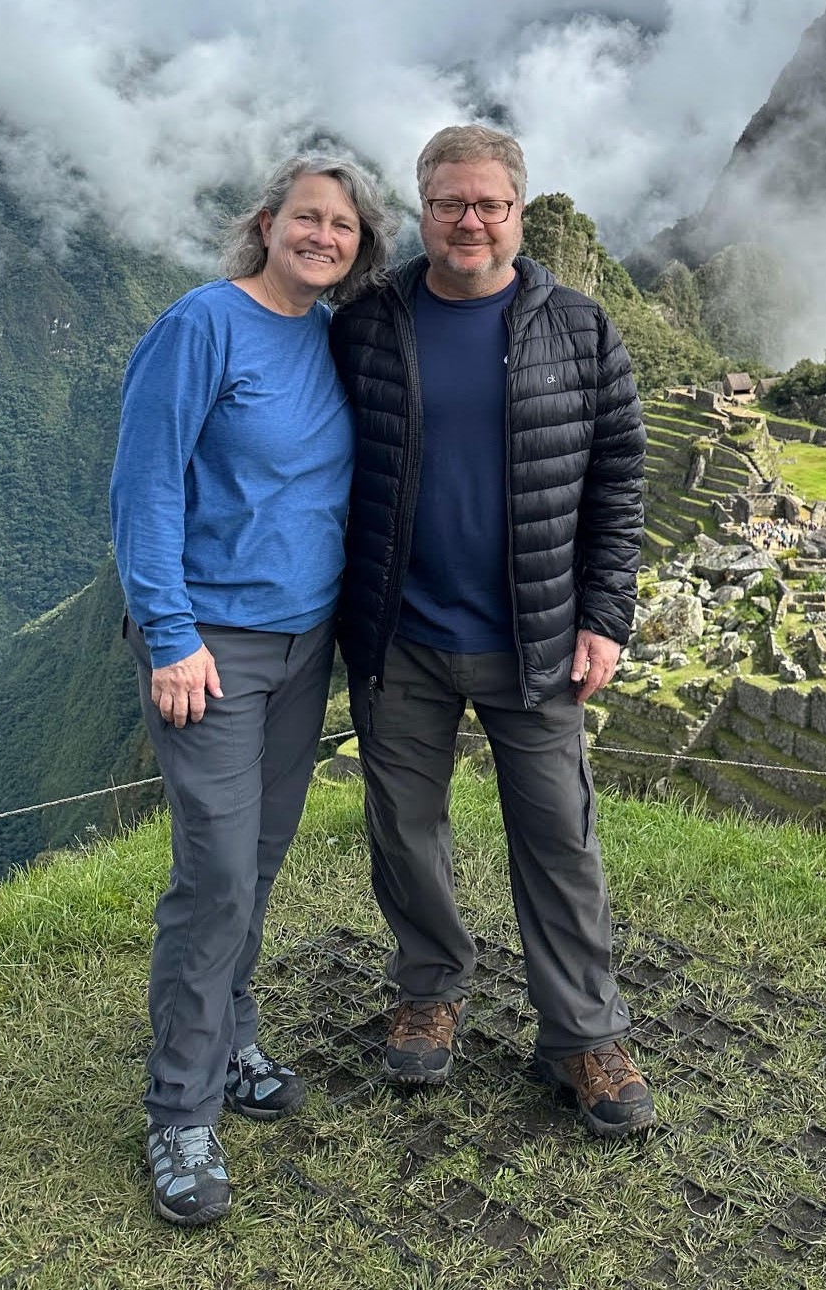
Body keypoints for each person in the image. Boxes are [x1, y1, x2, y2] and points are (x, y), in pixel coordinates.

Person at [330, 122, 653, 1140]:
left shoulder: (580, 327)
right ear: (420, 210)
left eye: (490, 203)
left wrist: (605, 615)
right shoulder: (367, 322)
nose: (470, 220)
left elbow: (620, 478)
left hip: (537, 637)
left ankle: (584, 1034)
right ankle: (430, 986)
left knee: (559, 839)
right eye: (449, 202)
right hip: (401, 633)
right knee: (404, 828)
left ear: (519, 210)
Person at [111, 153, 395, 1226]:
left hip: (302, 643)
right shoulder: (204, 324)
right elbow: (142, 480)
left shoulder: (330, 339)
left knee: (261, 856)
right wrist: (170, 632)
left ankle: (230, 1037)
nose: (324, 235)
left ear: (359, 246)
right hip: (210, 647)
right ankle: (179, 1109)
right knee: (216, 872)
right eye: (307, 217)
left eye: (345, 226)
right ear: (267, 222)